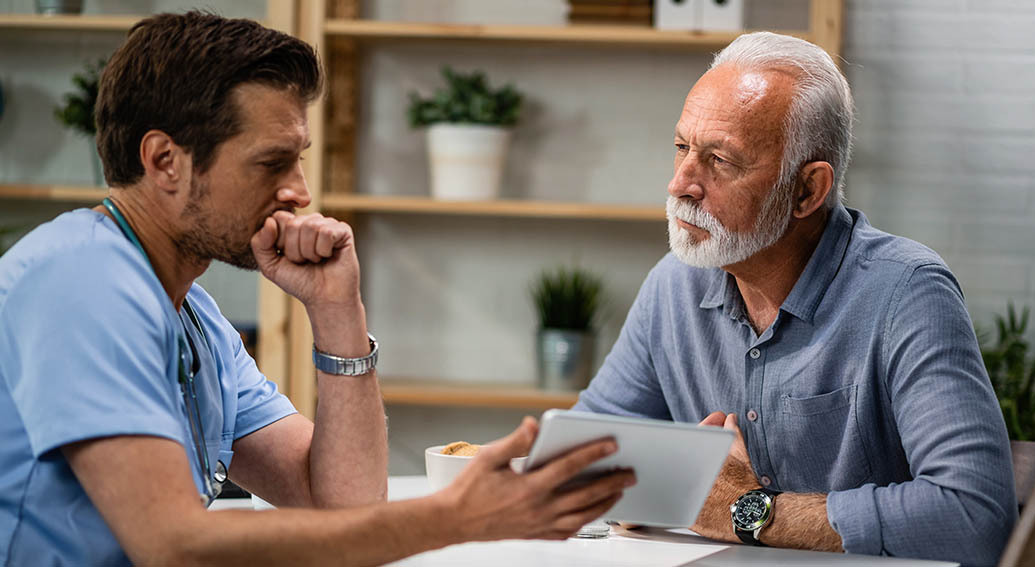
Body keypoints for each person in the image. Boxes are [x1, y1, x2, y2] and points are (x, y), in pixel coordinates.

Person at [0, 11, 634, 565]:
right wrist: (455, 518)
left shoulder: (193, 316)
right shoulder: (81, 283)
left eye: (298, 159)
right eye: (272, 162)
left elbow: (341, 503)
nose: (300, 192)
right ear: (165, 161)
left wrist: (338, 312)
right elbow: (175, 547)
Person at [574, 31, 1017, 565]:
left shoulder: (908, 293)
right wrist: (644, 486)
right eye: (682, 148)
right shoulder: (673, 285)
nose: (681, 183)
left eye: (720, 160)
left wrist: (746, 511)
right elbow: (580, 458)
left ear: (808, 190)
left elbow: (975, 517)